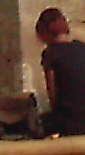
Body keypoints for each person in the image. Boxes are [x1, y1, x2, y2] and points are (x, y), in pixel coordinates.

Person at [35, 7, 85, 136]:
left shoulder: (50, 54)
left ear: (43, 32)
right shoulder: (81, 47)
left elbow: (53, 95)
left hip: (71, 121)